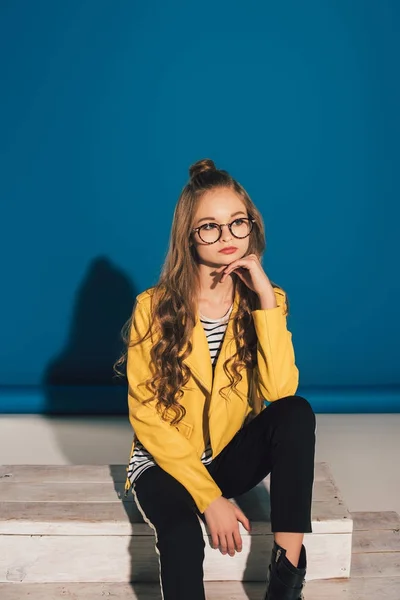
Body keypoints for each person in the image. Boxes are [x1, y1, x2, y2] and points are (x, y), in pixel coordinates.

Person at [114, 158, 316, 600]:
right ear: (188, 236)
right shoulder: (154, 306)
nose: (226, 237)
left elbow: (281, 397)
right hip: (165, 464)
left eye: (236, 223)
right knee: (183, 536)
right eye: (210, 227)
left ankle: (287, 579)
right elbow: (145, 417)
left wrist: (264, 298)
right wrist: (209, 498)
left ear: (252, 227)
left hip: (227, 457)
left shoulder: (267, 300)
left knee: (298, 413)